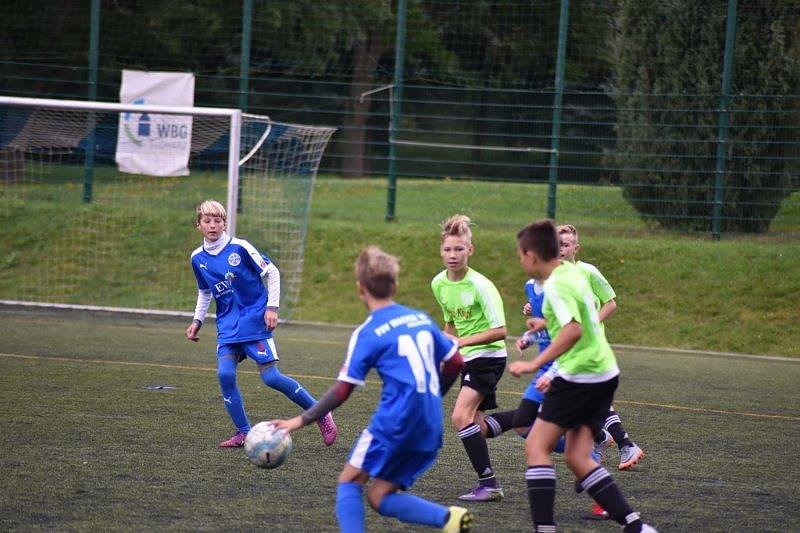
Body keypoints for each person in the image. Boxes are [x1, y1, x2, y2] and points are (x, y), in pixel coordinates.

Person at [271, 246, 474, 533]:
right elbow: (455, 361)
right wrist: (434, 395)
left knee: (349, 482)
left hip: (395, 423)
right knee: (380, 497)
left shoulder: (367, 333)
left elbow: (342, 390)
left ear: (360, 289)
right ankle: (449, 519)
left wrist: (300, 420)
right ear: (395, 285)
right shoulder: (421, 319)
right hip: (430, 424)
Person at [508, 220, 656, 533]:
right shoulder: (572, 273)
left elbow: (573, 330)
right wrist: (543, 325)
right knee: (578, 456)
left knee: (536, 446)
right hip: (604, 371)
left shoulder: (555, 284)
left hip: (580, 374)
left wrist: (535, 366)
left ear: (532, 256)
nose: (519, 261)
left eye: (521, 255)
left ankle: (544, 529)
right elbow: (576, 320)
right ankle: (636, 527)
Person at [185, 199, 337, 448]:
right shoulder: (197, 258)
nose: (213, 225)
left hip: (254, 319)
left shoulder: (240, 247)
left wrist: (272, 308)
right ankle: (243, 432)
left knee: (271, 378)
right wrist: (197, 320)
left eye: (218, 220)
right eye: (207, 221)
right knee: (225, 375)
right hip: (227, 326)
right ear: (198, 225)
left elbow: (272, 271)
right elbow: (205, 292)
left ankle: (320, 413)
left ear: (224, 223)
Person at [431, 214, 508, 502]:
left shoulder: (481, 286)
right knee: (479, 426)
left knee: (460, 417)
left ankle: (489, 484)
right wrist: (444, 350)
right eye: (448, 249)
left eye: (459, 249)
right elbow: (450, 325)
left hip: (489, 357)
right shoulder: (438, 283)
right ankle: (528, 418)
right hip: (467, 357)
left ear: (470, 251)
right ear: (441, 250)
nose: (453, 255)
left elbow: (500, 331)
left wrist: (461, 342)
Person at [556, 223, 645, 471]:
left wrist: (590, 323)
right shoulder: (553, 275)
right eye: (557, 244)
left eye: (566, 244)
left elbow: (611, 303)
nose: (561, 249)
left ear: (576, 247)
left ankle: (619, 443)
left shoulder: (588, 271)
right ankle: (609, 440)